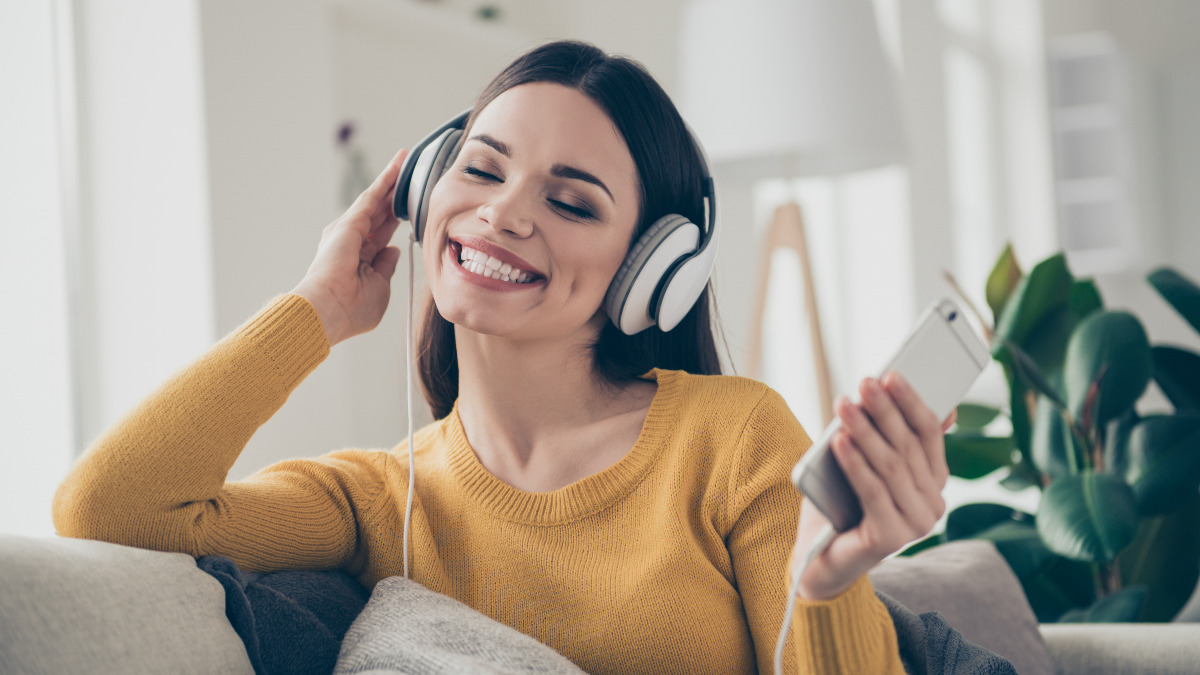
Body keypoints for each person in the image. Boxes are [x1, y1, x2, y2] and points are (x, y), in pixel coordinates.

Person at [54, 40, 953, 674]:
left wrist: (829, 578)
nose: (504, 213)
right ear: (426, 187)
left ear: (651, 272)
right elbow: (107, 504)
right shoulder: (385, 497)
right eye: (481, 170)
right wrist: (317, 309)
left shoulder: (732, 435)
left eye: (571, 202)